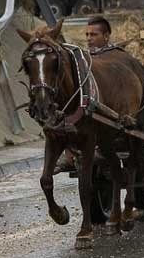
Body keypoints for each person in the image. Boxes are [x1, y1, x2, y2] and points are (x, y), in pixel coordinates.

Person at [53, 16, 115, 174]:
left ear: (106, 36)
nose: (89, 38)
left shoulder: (115, 58)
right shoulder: (83, 59)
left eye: (93, 35)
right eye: (87, 35)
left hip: (110, 106)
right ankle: (68, 153)